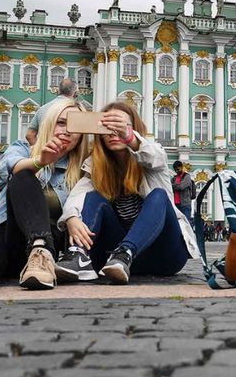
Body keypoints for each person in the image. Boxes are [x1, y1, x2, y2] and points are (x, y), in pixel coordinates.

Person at [0, 98, 89, 293]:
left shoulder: (85, 165)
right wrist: (39, 161)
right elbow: (8, 167)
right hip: (4, 233)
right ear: (48, 123)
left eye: (75, 125)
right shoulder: (23, 148)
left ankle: (40, 251)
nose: (66, 130)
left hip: (43, 244)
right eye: (61, 122)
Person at [54, 100, 198, 284]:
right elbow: (77, 196)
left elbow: (155, 155)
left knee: (159, 196)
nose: (114, 132)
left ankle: (126, 252)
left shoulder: (153, 160)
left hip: (165, 255)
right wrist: (71, 217)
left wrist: (129, 137)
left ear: (133, 129)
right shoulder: (96, 167)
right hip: (113, 261)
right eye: (108, 127)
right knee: (91, 196)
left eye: (121, 126)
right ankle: (78, 256)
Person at [26, 79, 79, 145]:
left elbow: (29, 135)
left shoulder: (42, 109)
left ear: (57, 92)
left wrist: (39, 151)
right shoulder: (77, 111)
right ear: (76, 94)